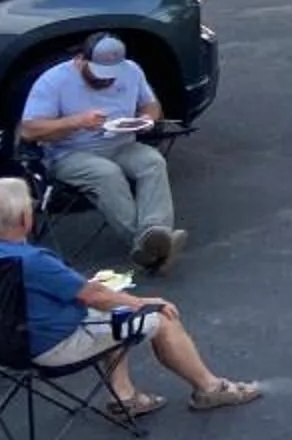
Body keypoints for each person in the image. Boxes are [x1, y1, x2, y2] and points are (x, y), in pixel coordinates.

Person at [0, 177, 259, 419]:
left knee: (114, 315)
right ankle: (210, 388)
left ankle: (125, 397)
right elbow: (95, 296)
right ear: (24, 219)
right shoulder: (33, 260)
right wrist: (145, 303)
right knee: (159, 318)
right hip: (51, 347)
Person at [18, 33, 180, 270]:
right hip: (71, 153)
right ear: (80, 60)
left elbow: (151, 104)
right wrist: (75, 122)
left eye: (112, 75)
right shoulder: (53, 81)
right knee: (107, 173)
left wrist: (147, 119)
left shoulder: (131, 70)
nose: (107, 81)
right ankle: (149, 244)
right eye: (100, 74)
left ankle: (154, 232)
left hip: (121, 143)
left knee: (152, 162)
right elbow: (29, 130)